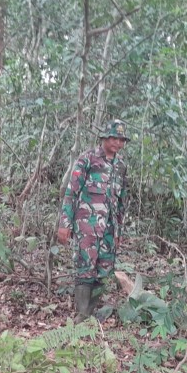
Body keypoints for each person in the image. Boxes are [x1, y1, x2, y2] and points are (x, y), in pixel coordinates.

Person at [57, 119, 129, 321]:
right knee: (85, 269)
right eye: (113, 138)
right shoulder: (87, 159)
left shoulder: (121, 166)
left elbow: (121, 202)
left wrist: (118, 232)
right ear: (104, 138)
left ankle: (90, 314)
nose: (117, 143)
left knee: (104, 271)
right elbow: (71, 192)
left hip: (109, 228)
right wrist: (64, 223)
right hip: (86, 226)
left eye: (121, 140)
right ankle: (81, 316)